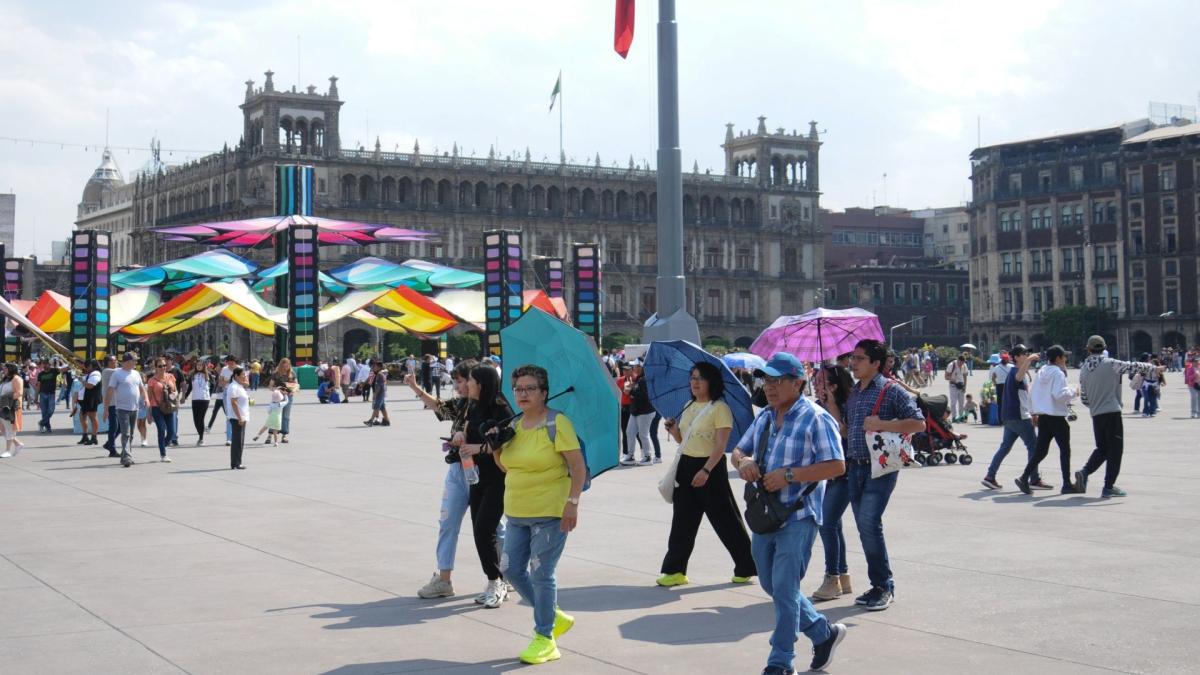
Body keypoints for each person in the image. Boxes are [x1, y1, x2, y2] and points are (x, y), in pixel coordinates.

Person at [730, 353, 847, 673]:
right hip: (766, 514)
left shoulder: (816, 418)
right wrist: (744, 462)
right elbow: (739, 450)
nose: (769, 387)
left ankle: (781, 661)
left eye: (777, 381)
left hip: (799, 515)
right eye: (766, 380)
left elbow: (837, 465)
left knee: (783, 588)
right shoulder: (766, 416)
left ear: (798, 383)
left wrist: (790, 475)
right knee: (773, 585)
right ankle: (823, 633)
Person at [494, 364, 587, 665]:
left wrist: (572, 502)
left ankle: (545, 638)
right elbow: (508, 467)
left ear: (544, 392)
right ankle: (553, 614)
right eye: (518, 388)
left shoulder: (557, 423)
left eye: (529, 388)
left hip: (550, 511)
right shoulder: (514, 425)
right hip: (517, 510)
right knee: (509, 569)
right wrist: (496, 447)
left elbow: (577, 467)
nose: (522, 394)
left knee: (541, 572)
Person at [657, 361, 756, 588]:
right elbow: (686, 441)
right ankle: (674, 570)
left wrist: (706, 470)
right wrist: (674, 431)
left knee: (726, 519)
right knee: (682, 520)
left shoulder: (720, 408)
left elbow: (720, 446)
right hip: (686, 466)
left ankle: (746, 565)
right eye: (692, 378)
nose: (695, 382)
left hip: (710, 469)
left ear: (711, 382)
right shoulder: (688, 406)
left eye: (700, 378)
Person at [845, 339, 925, 611]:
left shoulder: (891, 390)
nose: (853, 363)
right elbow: (848, 429)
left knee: (869, 523)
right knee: (864, 527)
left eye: (858, 358)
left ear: (875, 363)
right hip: (854, 467)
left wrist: (883, 424)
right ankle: (877, 584)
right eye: (852, 358)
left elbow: (918, 423)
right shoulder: (854, 392)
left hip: (879, 468)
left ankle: (883, 586)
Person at [408, 360, 485, 599]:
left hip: (482, 473)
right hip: (457, 470)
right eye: (457, 382)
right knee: (447, 523)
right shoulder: (461, 404)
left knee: (491, 528)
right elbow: (440, 407)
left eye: (462, 381)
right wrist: (414, 387)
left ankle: (504, 573)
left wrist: (469, 441)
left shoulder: (492, 407)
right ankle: (444, 579)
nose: (459, 386)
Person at [449, 366, 514, 608]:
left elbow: (507, 440)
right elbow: (469, 431)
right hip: (476, 476)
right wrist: (460, 437)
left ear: (482, 385)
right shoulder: (473, 406)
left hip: (499, 477)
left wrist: (481, 449)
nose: (467, 385)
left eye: (471, 381)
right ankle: (498, 578)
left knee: (485, 529)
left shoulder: (500, 407)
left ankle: (496, 581)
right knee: (480, 529)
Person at [1076, 335, 1162, 498]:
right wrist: (1153, 368)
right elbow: (1133, 366)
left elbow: (1084, 398)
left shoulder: (1084, 369)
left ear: (1088, 349)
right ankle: (1108, 486)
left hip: (1096, 414)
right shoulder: (1111, 363)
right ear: (1104, 347)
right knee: (1115, 450)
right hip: (1112, 412)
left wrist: (1095, 404)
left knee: (1102, 448)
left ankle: (1085, 471)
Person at [813, 364, 856, 602]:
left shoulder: (849, 405)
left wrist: (831, 406)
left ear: (834, 385)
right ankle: (843, 576)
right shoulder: (816, 407)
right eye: (816, 381)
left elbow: (845, 434)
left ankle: (832, 578)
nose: (817, 386)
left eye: (822, 382)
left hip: (846, 472)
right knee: (834, 524)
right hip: (824, 474)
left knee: (826, 522)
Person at [981, 345, 1049, 491]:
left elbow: (1025, 396)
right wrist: (1030, 360)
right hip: (1019, 417)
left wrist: (1033, 412)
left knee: (1005, 447)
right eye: (1024, 354)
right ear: (1016, 357)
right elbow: (1019, 376)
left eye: (1027, 353)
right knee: (1034, 447)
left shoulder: (1017, 372)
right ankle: (1034, 479)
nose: (1027, 355)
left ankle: (990, 476)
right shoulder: (1015, 372)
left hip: (1010, 417)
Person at [1017, 345, 1079, 495]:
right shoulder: (1057, 373)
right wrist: (1074, 391)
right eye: (1064, 356)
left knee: (1041, 451)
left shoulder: (1042, 371)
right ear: (1058, 358)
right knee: (1065, 450)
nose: (1065, 359)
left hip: (1044, 417)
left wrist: (1034, 412)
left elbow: (1031, 392)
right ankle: (1066, 484)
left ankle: (1024, 477)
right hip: (1056, 417)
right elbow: (1059, 394)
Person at [105, 353, 149, 467]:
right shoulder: (117, 374)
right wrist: (106, 409)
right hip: (122, 408)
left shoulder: (136, 373)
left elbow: (142, 388)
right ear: (127, 362)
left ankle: (125, 454)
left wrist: (147, 399)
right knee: (125, 433)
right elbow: (110, 391)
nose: (135, 363)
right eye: (133, 361)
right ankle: (127, 457)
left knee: (131, 434)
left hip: (134, 408)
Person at [621, 360, 655, 466]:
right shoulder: (639, 379)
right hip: (636, 411)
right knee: (629, 432)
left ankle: (647, 456)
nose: (633, 368)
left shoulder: (644, 379)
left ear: (640, 367)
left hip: (644, 411)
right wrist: (631, 388)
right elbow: (637, 392)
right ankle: (630, 456)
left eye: (634, 366)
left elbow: (644, 396)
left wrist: (630, 391)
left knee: (643, 435)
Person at [146, 358, 179, 462]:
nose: (163, 368)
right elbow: (149, 397)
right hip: (157, 407)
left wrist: (175, 394)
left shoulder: (170, 377)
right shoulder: (151, 381)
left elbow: (175, 390)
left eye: (164, 365)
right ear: (156, 367)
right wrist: (149, 413)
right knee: (161, 429)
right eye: (160, 366)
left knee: (171, 432)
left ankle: (162, 445)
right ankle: (163, 454)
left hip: (169, 407)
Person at [268, 358, 298, 443]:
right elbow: (270, 386)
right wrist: (278, 389)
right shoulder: (276, 374)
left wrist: (293, 391)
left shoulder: (292, 373)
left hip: (288, 397)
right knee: (275, 415)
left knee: (286, 416)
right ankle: (271, 434)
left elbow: (296, 384)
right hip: (277, 397)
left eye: (287, 366)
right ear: (280, 365)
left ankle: (284, 435)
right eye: (284, 366)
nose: (285, 368)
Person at [0, 363, 25, 458]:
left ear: (11, 369)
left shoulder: (17, 379)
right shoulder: (5, 379)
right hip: (3, 405)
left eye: (5, 368)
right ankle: (18, 444)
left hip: (11, 407)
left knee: (8, 427)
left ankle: (7, 451)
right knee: (3, 428)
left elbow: (19, 393)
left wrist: (5, 398)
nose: (4, 370)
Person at [227, 367, 249, 469]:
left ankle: (236, 462)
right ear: (236, 376)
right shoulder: (234, 387)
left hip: (241, 416)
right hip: (237, 417)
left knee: (239, 440)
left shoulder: (239, 386)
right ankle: (236, 463)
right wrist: (239, 417)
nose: (245, 376)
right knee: (238, 441)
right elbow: (234, 402)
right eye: (243, 375)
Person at [79, 360, 102, 445]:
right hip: (86, 398)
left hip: (92, 398)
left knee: (92, 417)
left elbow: (90, 385)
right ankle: (85, 436)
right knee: (82, 416)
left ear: (93, 366)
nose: (86, 368)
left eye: (88, 366)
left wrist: (81, 380)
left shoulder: (96, 374)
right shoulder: (90, 374)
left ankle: (94, 437)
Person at [189, 360, 212, 445]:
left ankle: (201, 438)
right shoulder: (193, 375)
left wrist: (209, 394)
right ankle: (200, 434)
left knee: (201, 418)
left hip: (204, 399)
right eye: (197, 365)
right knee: (195, 419)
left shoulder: (207, 374)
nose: (199, 366)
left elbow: (213, 384)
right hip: (195, 399)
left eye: (201, 365)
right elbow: (190, 387)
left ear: (203, 366)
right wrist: (185, 396)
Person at [363, 360, 390, 426]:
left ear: (379, 367)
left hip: (380, 393)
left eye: (375, 366)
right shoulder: (382, 373)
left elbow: (378, 386)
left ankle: (371, 421)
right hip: (382, 393)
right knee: (382, 408)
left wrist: (375, 394)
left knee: (376, 407)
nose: (373, 368)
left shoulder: (379, 374)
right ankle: (387, 420)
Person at [36, 358, 57, 434]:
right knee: (44, 412)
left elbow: (63, 369)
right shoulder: (40, 374)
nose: (45, 365)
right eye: (43, 364)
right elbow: (38, 385)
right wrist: (36, 397)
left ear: (49, 364)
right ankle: (47, 427)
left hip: (51, 394)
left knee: (51, 410)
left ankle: (41, 422)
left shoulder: (54, 371)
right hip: (42, 394)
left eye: (46, 363)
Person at [945, 353, 969, 419]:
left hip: (961, 385)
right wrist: (953, 379)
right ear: (958, 360)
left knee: (961, 403)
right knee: (953, 402)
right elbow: (946, 376)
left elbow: (965, 376)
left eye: (963, 363)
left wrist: (965, 386)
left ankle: (961, 416)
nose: (961, 365)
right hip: (953, 385)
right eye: (960, 363)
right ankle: (954, 417)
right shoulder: (951, 365)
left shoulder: (964, 365)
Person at [1186, 355, 1200, 419]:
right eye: (1195, 361)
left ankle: (1199, 413)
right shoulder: (1190, 368)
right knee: (1194, 398)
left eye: (1197, 361)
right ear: (1192, 362)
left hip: (1199, 384)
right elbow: (1188, 377)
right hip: (1192, 385)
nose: (1197, 363)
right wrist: (1194, 375)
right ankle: (1193, 412)